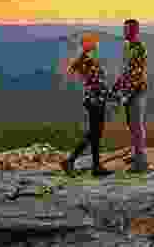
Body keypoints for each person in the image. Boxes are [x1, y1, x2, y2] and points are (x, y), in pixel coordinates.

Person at [61, 32, 114, 177]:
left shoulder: (86, 59)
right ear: (87, 45)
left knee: (96, 134)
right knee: (94, 133)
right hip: (95, 100)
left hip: (95, 99)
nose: (96, 44)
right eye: (93, 42)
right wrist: (110, 94)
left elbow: (93, 80)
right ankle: (70, 160)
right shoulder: (87, 60)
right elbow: (96, 82)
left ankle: (96, 166)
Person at [109, 19, 149, 173]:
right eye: (124, 29)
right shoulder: (128, 47)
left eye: (128, 30)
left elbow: (136, 74)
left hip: (136, 91)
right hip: (128, 90)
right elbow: (125, 71)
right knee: (132, 125)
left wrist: (127, 93)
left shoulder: (139, 48)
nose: (125, 32)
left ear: (136, 31)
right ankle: (136, 153)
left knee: (136, 125)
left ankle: (141, 162)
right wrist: (117, 86)